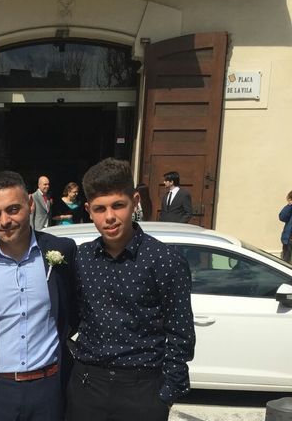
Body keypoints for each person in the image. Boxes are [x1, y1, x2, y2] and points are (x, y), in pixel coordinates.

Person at [67, 158, 195, 421]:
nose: (110, 217)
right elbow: (67, 318)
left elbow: (181, 333)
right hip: (87, 387)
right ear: (89, 210)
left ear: (135, 201)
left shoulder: (165, 259)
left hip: (143, 390)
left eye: (118, 205)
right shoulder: (81, 259)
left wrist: (166, 394)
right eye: (100, 209)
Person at [0, 171, 77, 420]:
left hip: (50, 388)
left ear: (31, 205)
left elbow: (73, 312)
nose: (4, 221)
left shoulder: (61, 251)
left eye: (13, 209)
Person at [279, 190, 292, 262]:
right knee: (286, 264)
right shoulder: (290, 208)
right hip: (289, 240)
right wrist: (289, 205)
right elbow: (282, 217)